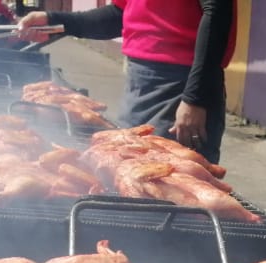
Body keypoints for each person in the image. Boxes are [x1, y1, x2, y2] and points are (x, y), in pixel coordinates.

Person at [17, 0, 235, 164]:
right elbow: (120, 16)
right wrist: (54, 20)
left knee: (171, 192)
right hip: (139, 81)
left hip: (182, 86)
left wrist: (195, 97)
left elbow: (217, 11)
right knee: (128, 174)